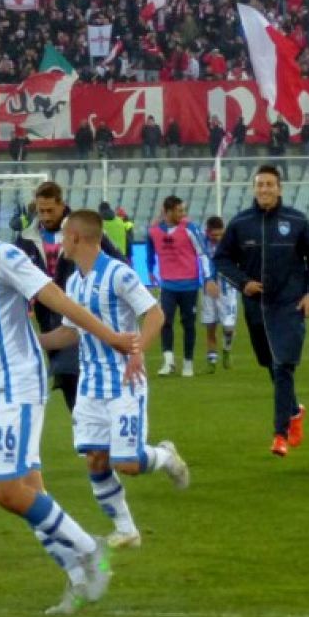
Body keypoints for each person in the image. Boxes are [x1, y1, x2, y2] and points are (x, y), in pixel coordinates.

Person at [0, 181, 139, 614]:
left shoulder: (0, 255)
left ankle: (90, 549)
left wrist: (110, 336)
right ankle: (77, 580)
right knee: (30, 491)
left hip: (17, 385)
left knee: (4, 489)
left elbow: (57, 299)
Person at [37, 210, 189, 552]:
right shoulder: (74, 282)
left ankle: (165, 456)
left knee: (128, 462)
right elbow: (70, 332)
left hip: (124, 382)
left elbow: (155, 314)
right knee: (95, 459)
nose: (60, 243)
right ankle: (126, 530)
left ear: (76, 237)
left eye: (64, 236)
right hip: (90, 385)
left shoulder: (119, 274)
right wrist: (34, 343)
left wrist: (138, 352)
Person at [213, 166, 309, 457]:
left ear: (279, 189)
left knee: (283, 366)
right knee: (270, 364)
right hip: (256, 307)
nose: (264, 189)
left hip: (290, 305)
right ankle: (295, 411)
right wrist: (243, 283)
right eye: (260, 184)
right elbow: (221, 260)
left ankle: (280, 434)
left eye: (270, 184)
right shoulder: (241, 223)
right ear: (254, 189)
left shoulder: (296, 221)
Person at [14, 181, 125, 411]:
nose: (45, 216)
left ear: (62, 205)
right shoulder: (26, 239)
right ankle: (90, 430)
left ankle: (95, 429)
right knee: (69, 385)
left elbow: (118, 264)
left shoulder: (83, 231)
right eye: (41, 211)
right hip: (50, 322)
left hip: (85, 317)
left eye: (50, 210)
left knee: (76, 378)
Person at [144, 195, 215, 376]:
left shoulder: (190, 228)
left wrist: (208, 278)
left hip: (189, 285)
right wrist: (150, 268)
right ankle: (169, 362)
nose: (183, 214)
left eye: (183, 210)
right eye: (179, 210)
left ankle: (188, 363)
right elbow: (150, 248)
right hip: (168, 285)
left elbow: (203, 253)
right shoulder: (154, 231)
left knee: (188, 324)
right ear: (167, 212)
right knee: (164, 321)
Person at [199, 216, 242, 372]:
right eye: (214, 235)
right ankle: (211, 359)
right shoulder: (202, 242)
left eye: (220, 234)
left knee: (228, 327)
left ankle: (227, 350)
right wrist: (208, 280)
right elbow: (204, 261)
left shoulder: (231, 242)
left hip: (228, 289)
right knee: (210, 325)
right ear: (207, 232)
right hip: (208, 289)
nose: (217, 238)